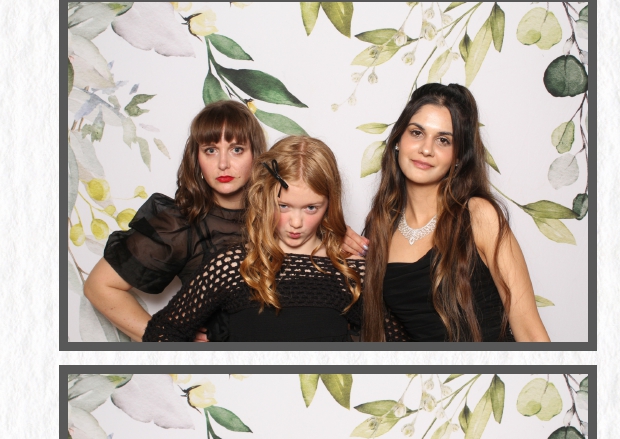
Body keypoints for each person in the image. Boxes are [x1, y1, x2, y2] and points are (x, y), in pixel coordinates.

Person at [134, 137, 378, 344]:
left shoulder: (351, 273)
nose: (296, 222)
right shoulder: (231, 266)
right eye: (283, 206)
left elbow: (390, 347)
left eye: (311, 208)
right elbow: (162, 332)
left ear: (330, 204)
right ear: (264, 197)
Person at [361, 82, 551, 344]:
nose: (426, 149)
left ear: (458, 156)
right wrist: (337, 243)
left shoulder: (478, 216)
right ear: (398, 141)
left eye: (443, 140)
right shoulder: (381, 226)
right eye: (416, 133)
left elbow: (530, 332)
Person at [83, 100, 267, 341]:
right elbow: (99, 286)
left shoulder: (284, 216)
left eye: (237, 149)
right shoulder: (182, 224)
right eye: (211, 150)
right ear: (197, 158)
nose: (223, 164)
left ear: (256, 155)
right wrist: (169, 338)